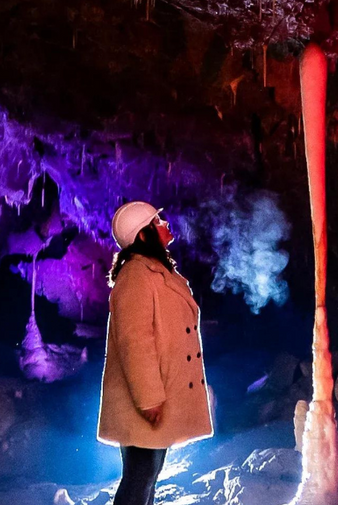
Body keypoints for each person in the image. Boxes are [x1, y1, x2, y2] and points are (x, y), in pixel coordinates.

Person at [96, 201, 213, 505]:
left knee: (148, 474)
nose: (165, 223)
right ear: (143, 235)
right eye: (157, 221)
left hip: (158, 394)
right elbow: (135, 340)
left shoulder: (154, 271)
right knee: (140, 476)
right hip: (146, 399)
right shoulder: (136, 275)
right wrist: (148, 398)